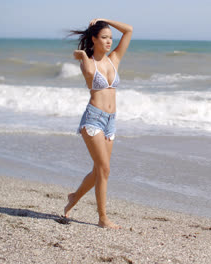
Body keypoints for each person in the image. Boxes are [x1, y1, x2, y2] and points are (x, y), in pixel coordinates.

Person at [64, 18, 133, 229]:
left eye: (111, 38)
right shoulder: (88, 62)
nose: (109, 41)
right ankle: (103, 218)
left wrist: (104, 18)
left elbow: (128, 30)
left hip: (111, 121)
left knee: (98, 171)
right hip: (93, 119)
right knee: (104, 169)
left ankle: (74, 197)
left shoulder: (114, 59)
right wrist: (84, 55)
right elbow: (88, 73)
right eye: (104, 37)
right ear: (94, 39)